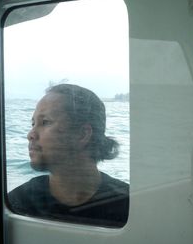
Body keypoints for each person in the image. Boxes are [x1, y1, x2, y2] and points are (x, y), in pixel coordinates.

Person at [8, 84, 129, 227]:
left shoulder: (128, 206)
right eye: (33, 124)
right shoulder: (18, 203)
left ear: (82, 134)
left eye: (45, 122)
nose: (30, 135)